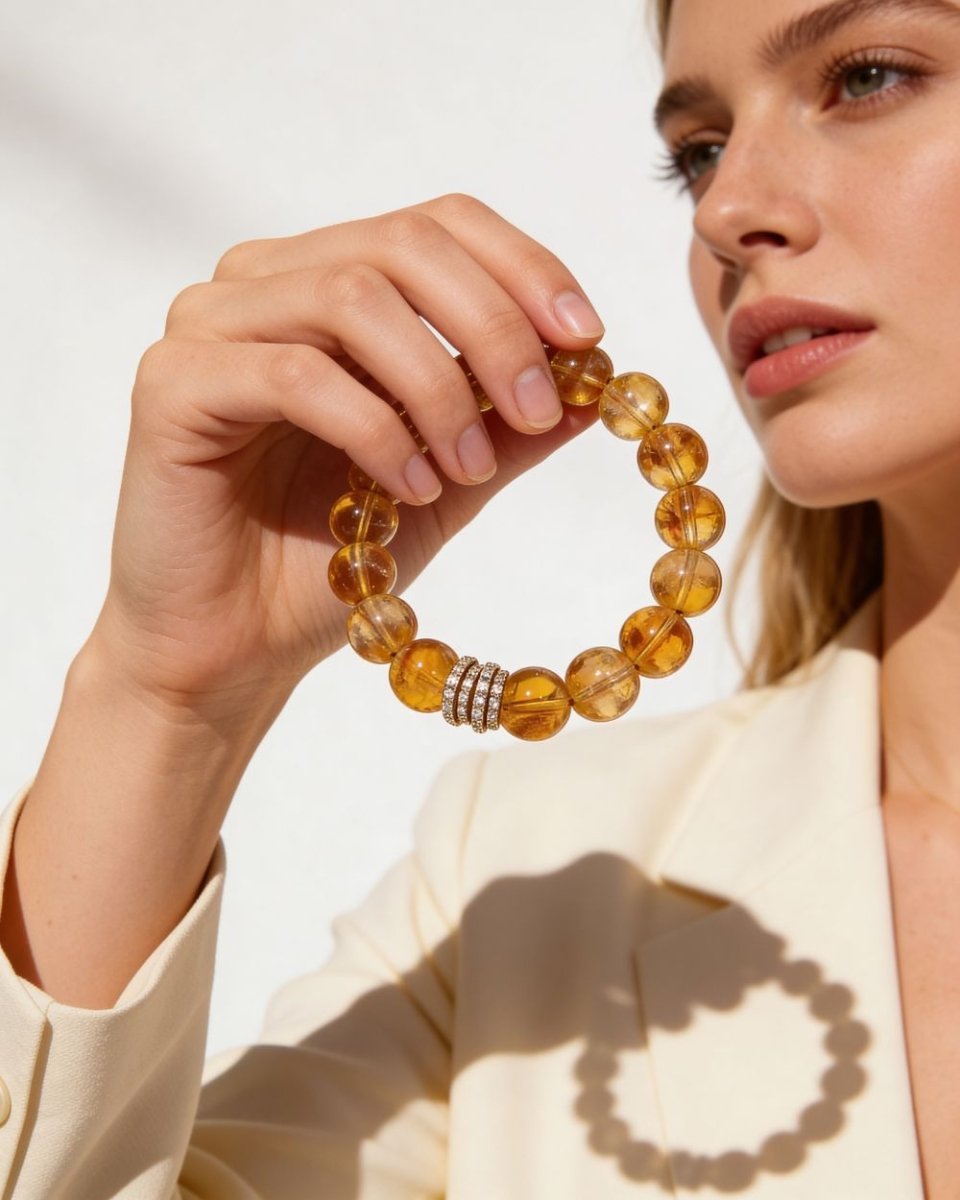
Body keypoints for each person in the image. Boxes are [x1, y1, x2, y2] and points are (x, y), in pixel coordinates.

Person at [1, 0, 957, 1193]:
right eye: (698, 152)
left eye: (866, 76)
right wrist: (167, 694)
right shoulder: (540, 886)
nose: (723, 209)